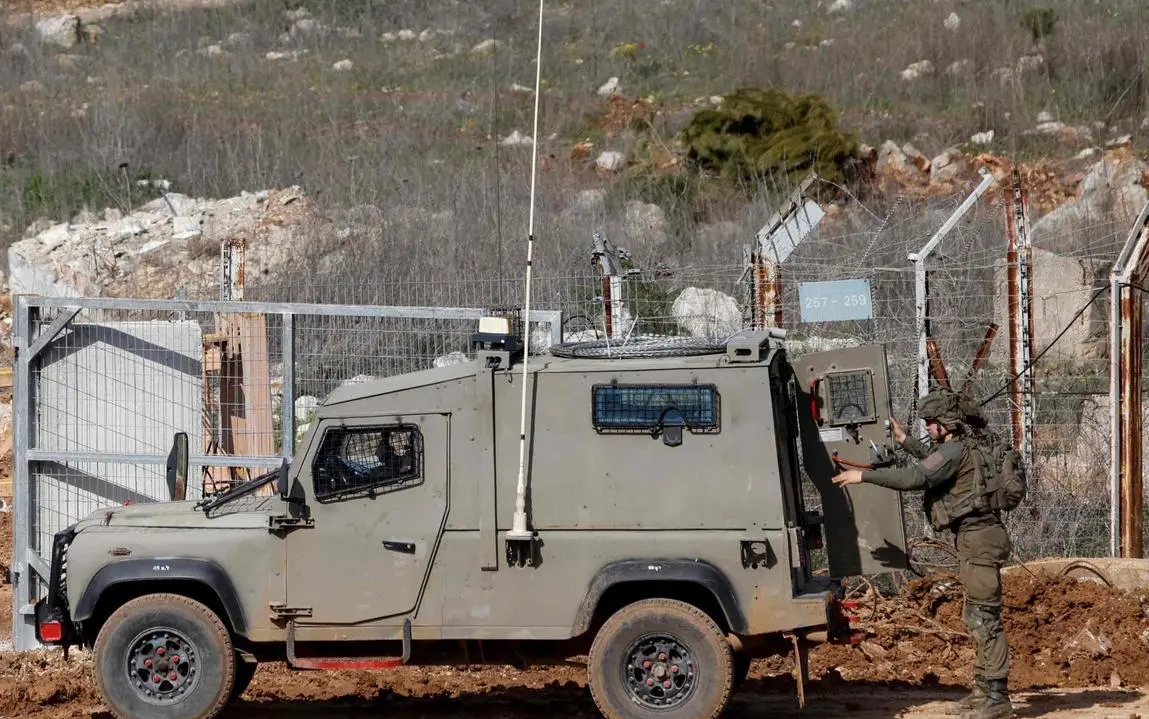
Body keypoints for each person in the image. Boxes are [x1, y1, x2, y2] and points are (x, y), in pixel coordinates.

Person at [832, 387, 1014, 719]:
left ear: (947, 423)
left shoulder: (954, 451)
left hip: (980, 540)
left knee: (985, 620)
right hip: (978, 539)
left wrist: (865, 476)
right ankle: (983, 692)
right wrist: (905, 441)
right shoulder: (961, 448)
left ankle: (997, 697)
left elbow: (917, 476)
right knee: (976, 617)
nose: (927, 428)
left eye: (931, 422)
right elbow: (933, 462)